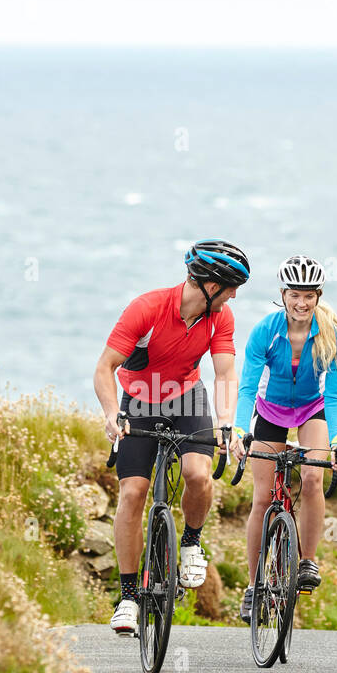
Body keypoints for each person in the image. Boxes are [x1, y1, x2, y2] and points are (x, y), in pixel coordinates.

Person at [93, 239, 249, 635]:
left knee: (199, 474)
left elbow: (226, 373)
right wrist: (113, 416)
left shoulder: (221, 317)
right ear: (209, 285)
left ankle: (191, 542)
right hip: (139, 401)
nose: (233, 296)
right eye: (230, 287)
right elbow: (104, 368)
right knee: (132, 493)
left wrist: (226, 422)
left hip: (186, 398)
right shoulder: (146, 308)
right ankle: (129, 597)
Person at [230, 255, 337, 621]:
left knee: (314, 476)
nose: (301, 303)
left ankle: (308, 561)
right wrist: (240, 429)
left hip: (310, 410)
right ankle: (254, 586)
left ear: (319, 296)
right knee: (262, 497)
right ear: (283, 294)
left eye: (309, 296)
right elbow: (248, 386)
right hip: (270, 412)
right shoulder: (265, 331)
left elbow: (333, 395)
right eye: (295, 295)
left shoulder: (333, 336)